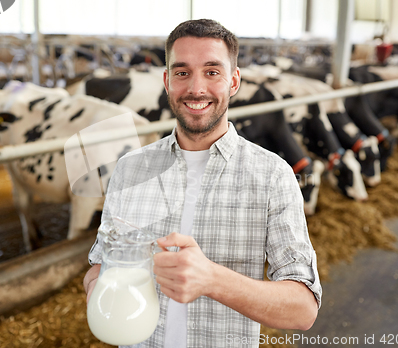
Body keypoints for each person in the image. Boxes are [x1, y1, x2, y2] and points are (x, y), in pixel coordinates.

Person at [83, 19, 322, 348]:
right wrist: (98, 289)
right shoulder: (129, 169)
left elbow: (303, 309)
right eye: (182, 73)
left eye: (212, 72)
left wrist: (212, 279)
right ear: (167, 81)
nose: (196, 88)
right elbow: (100, 264)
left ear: (234, 81)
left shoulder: (272, 175)